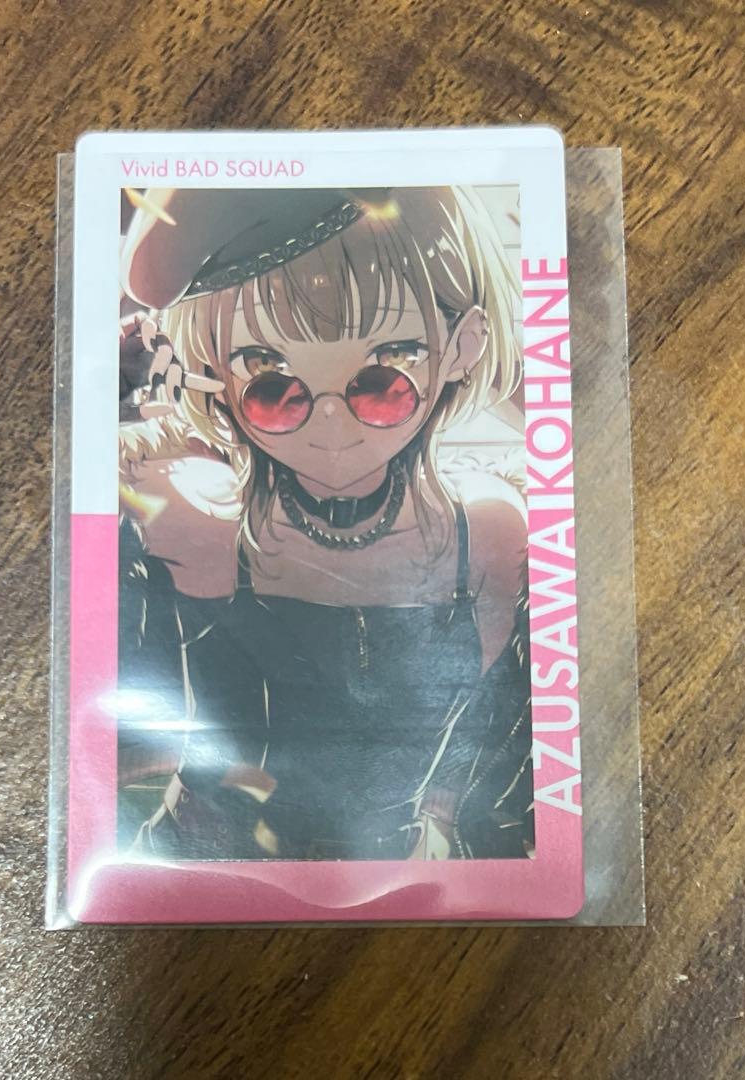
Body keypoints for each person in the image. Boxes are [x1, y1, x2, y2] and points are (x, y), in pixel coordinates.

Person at [115, 186, 533, 861]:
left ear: (463, 345)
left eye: (384, 381)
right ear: (210, 372)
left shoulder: (489, 533)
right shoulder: (184, 515)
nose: (331, 426)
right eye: (271, 387)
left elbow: (474, 750)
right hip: (196, 871)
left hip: (407, 876)